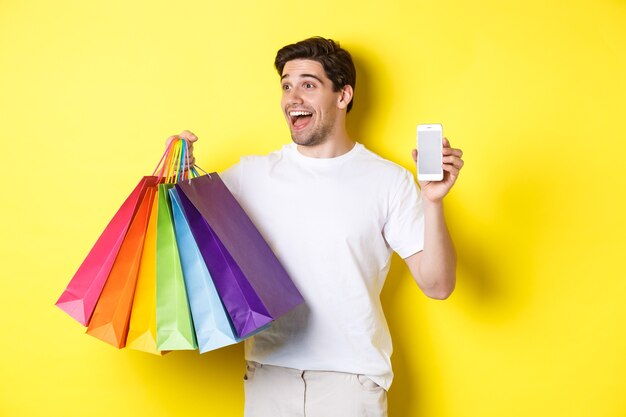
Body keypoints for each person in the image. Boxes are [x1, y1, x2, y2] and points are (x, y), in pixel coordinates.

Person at [169, 36, 464, 417]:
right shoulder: (250, 176)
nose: (293, 97)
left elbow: (438, 285)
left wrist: (433, 202)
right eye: (287, 86)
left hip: (352, 383)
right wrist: (179, 173)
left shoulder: (388, 181)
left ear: (343, 96)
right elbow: (184, 239)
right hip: (269, 377)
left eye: (309, 84)